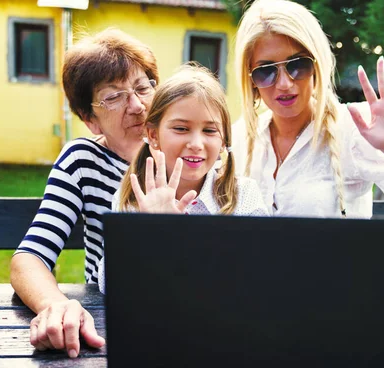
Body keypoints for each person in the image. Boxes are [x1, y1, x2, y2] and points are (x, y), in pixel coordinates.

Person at [233, 0, 384, 219]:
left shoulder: (355, 130)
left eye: (298, 65)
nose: (284, 83)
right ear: (250, 78)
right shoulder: (237, 138)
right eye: (266, 71)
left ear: (317, 64)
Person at [10, 28, 159, 358]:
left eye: (142, 88)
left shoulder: (189, 150)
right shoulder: (82, 161)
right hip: (108, 320)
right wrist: (57, 306)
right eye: (114, 97)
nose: (136, 106)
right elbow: (29, 258)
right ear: (90, 119)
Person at [98, 65, 269, 293]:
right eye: (180, 128)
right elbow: (109, 284)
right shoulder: (135, 197)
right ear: (153, 135)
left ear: (224, 140)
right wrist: (150, 232)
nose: (196, 144)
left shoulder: (243, 196)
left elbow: (261, 275)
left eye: (210, 131)